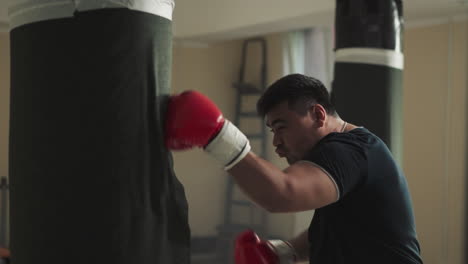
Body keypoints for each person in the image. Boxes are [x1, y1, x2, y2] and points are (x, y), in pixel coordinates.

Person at [165, 73, 423, 264]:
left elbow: (283, 194)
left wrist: (217, 136)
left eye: (281, 126)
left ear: (318, 115)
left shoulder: (347, 151)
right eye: (272, 130)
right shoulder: (351, 150)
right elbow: (342, 226)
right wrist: (285, 250)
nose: (276, 141)